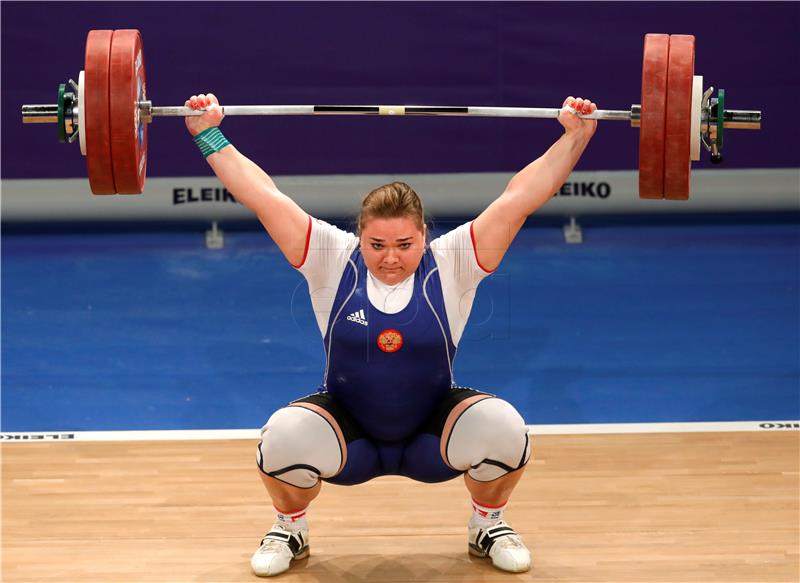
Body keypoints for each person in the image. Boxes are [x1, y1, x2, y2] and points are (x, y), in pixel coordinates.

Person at [184, 92, 597, 576]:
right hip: (349, 435)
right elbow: (263, 196)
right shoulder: (331, 258)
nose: (391, 258)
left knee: (506, 429)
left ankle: (488, 523)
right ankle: (289, 527)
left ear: (424, 233)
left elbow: (520, 199)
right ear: (360, 235)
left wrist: (575, 138)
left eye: (405, 244)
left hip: (431, 434)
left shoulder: (454, 261)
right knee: (281, 438)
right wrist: (208, 134)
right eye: (377, 244)